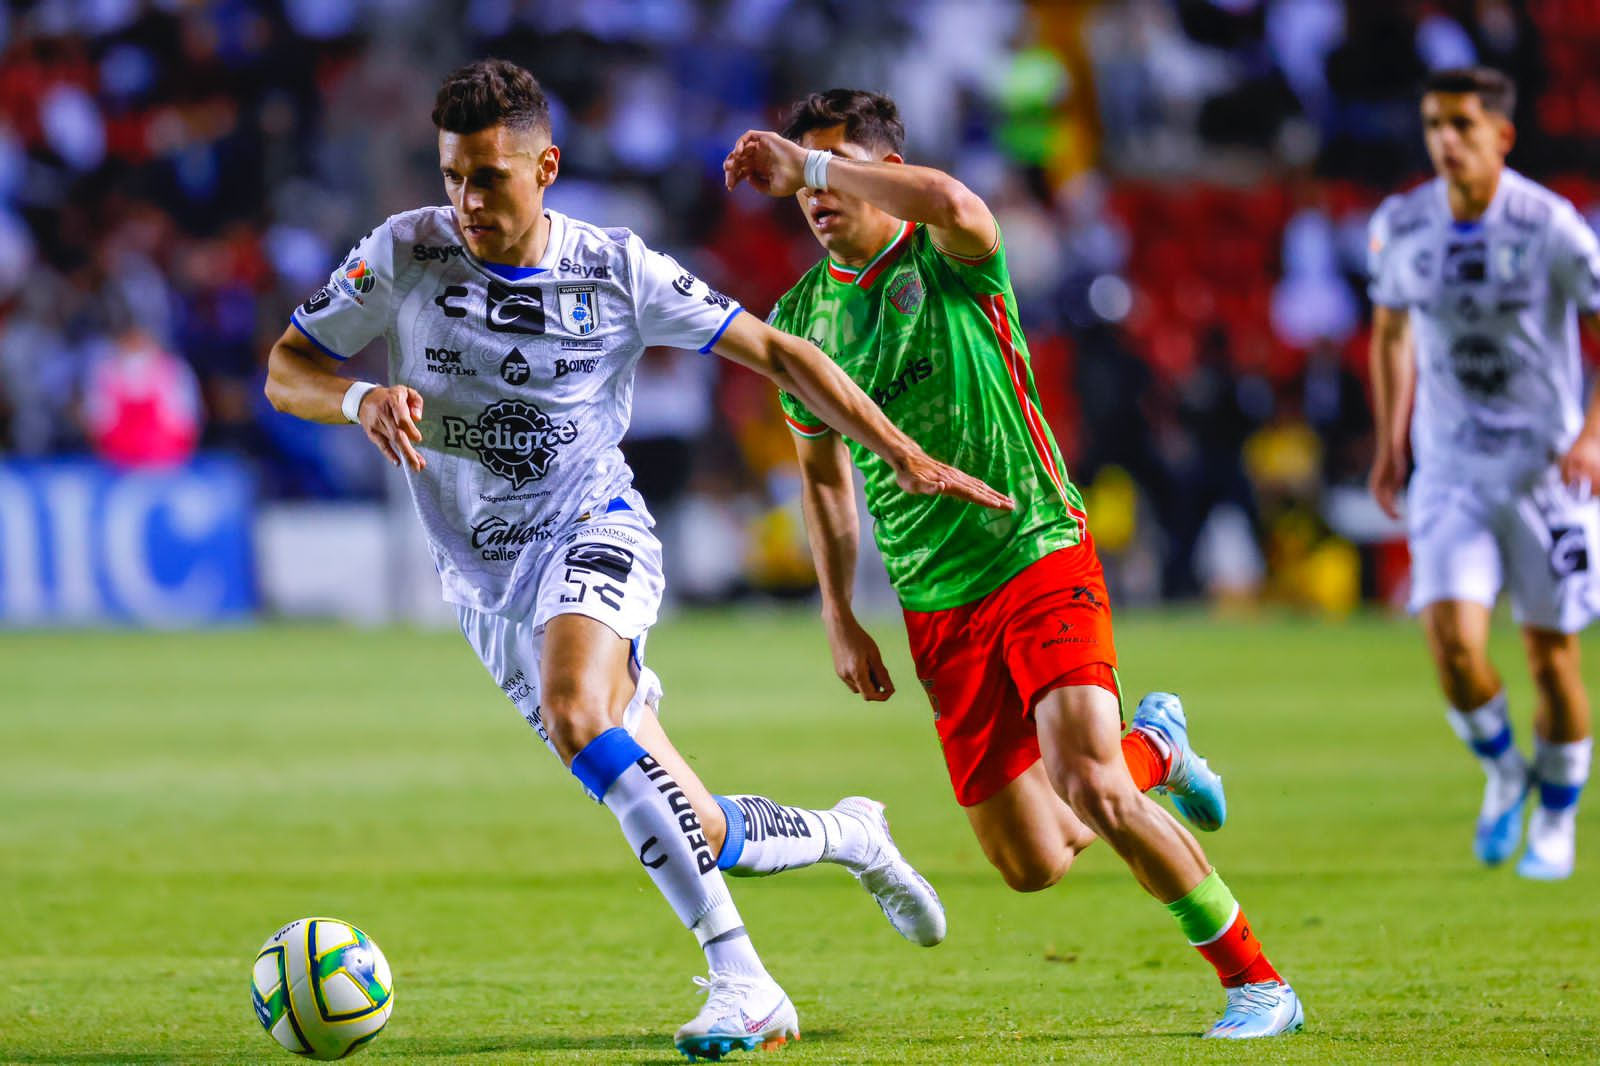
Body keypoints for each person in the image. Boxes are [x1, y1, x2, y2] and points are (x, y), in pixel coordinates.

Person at [264, 59, 1015, 1061]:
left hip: (592, 529)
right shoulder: (406, 252)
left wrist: (903, 454)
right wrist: (359, 400)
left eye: (490, 176)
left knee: (581, 711)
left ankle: (742, 981)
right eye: (452, 175)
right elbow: (288, 367)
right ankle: (851, 834)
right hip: (486, 587)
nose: (467, 200)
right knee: (698, 828)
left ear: (547, 168)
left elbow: (782, 355)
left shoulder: (614, 269)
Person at [722, 90, 1303, 1039]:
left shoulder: (948, 254)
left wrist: (811, 160)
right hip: (934, 602)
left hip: (1036, 548)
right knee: (1032, 860)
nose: (814, 193)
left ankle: (1257, 983)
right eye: (803, 176)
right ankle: (1157, 746)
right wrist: (839, 613)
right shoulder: (800, 319)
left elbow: (951, 200)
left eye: (834, 167)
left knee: (1091, 787)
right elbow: (824, 480)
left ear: (879, 171)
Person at [1367, 66, 1600, 880]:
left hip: (1546, 472)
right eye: (1434, 124)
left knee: (1550, 657)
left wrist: (1594, 437)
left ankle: (1560, 818)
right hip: (1452, 468)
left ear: (1502, 135)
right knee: (1455, 649)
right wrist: (1392, 439)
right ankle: (1506, 772)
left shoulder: (1551, 225)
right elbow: (1391, 333)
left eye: (1463, 125)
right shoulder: (1404, 223)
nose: (1446, 141)